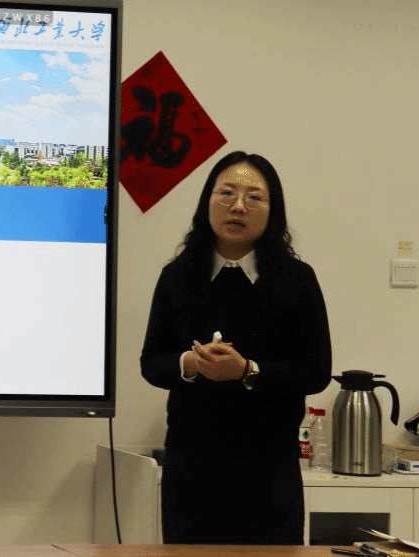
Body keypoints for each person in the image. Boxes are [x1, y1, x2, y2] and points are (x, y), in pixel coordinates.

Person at [140, 150, 332, 544]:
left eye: (254, 197)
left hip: (269, 470)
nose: (238, 206)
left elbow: (316, 372)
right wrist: (190, 364)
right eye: (226, 193)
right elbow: (151, 363)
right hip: (191, 469)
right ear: (207, 202)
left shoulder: (297, 279)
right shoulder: (177, 276)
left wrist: (247, 371)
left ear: (273, 210)